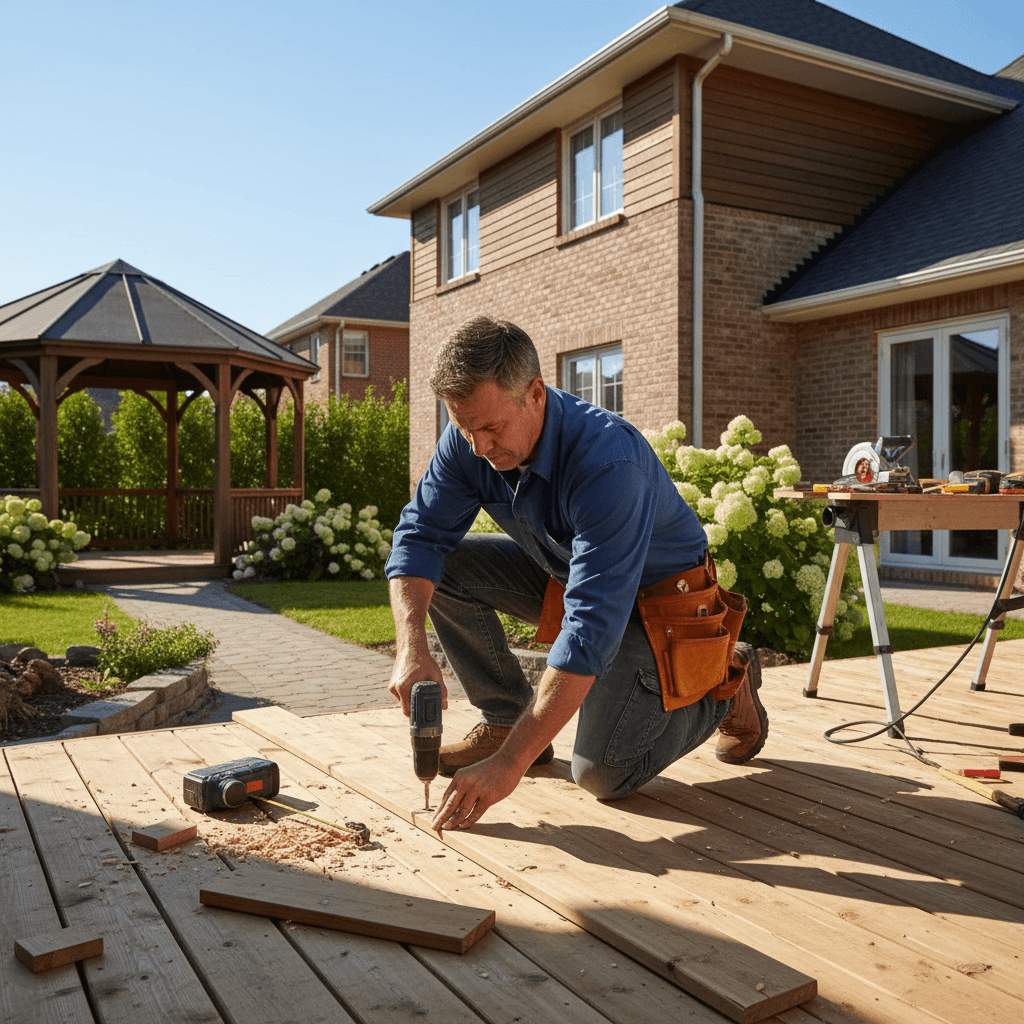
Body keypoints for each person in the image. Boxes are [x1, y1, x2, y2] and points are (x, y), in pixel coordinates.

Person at [385, 315, 767, 833]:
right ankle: (504, 720)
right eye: (463, 427)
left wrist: (509, 767)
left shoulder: (607, 463)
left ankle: (725, 680)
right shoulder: (471, 440)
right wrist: (411, 644)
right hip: (573, 576)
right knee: (444, 565)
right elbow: (420, 536)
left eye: (490, 428)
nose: (476, 447)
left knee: (604, 772)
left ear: (535, 393)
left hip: (663, 606)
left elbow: (589, 629)